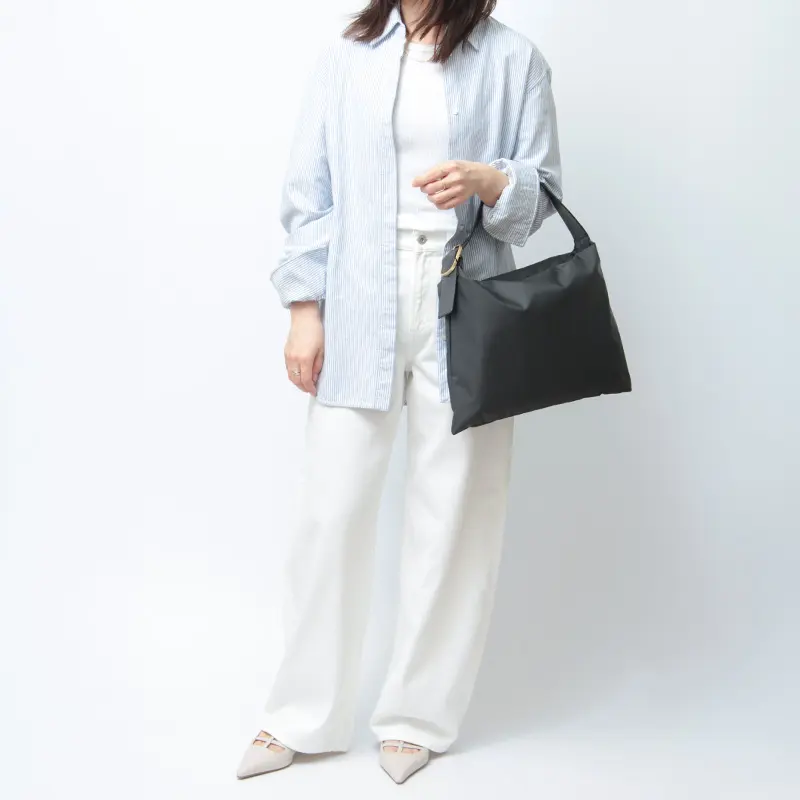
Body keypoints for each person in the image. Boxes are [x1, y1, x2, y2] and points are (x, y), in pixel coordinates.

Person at [238, 0, 562, 784]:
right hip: (359, 291)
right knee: (332, 510)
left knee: (454, 511)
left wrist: (493, 181)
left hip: (469, 295)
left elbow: (540, 198)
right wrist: (304, 310)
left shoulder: (514, 60)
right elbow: (310, 192)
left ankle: (418, 717)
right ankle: (303, 715)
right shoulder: (346, 57)